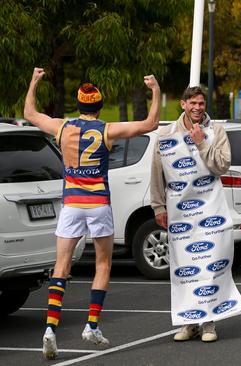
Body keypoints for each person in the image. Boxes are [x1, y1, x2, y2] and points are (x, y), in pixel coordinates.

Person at [23, 67, 161, 359]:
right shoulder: (107, 130)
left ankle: (50, 329)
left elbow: (31, 114)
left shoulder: (63, 127)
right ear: (99, 107)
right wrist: (155, 90)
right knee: (103, 265)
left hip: (71, 205)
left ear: (79, 105)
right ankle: (92, 325)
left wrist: (34, 82)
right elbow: (150, 123)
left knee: (61, 267)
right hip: (98, 204)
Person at [150, 86, 241, 343]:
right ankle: (188, 322)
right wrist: (158, 207)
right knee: (183, 269)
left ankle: (209, 323)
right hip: (180, 215)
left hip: (211, 211)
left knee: (210, 266)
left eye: (201, 103)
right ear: (183, 104)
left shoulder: (217, 132)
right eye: (193, 103)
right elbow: (157, 172)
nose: (197, 108)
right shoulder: (166, 134)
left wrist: (201, 142)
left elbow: (221, 166)